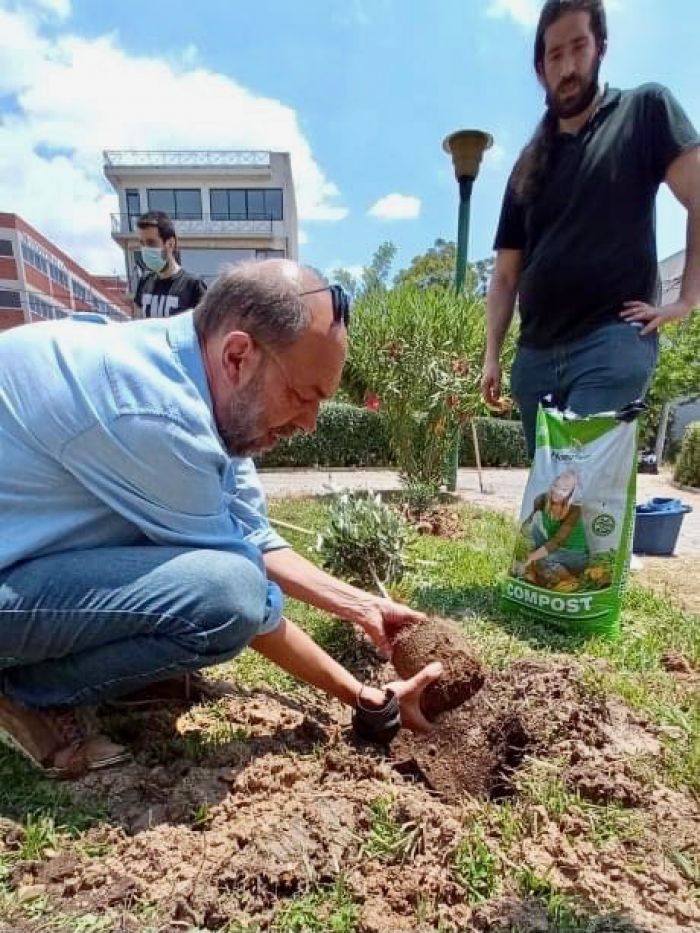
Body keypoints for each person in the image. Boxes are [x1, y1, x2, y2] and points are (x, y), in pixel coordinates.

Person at [0, 260, 442, 778]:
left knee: (216, 572)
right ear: (238, 355)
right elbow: (249, 602)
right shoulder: (155, 414)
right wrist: (364, 696)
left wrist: (359, 604)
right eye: (302, 396)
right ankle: (26, 690)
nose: (309, 423)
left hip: (23, 561)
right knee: (224, 595)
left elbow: (252, 535)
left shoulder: (198, 379)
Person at [481, 0, 700, 457]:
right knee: (554, 509)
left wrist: (686, 299)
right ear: (541, 69)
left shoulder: (643, 111)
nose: (567, 67)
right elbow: (504, 277)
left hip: (610, 340)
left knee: (577, 492)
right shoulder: (527, 166)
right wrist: (492, 355)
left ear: (600, 47)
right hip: (536, 357)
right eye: (554, 56)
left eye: (578, 47)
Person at [516, 470, 589, 587]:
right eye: (556, 486)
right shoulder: (541, 499)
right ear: (552, 484)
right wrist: (522, 543)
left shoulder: (575, 510)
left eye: (564, 490)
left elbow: (557, 542)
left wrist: (532, 557)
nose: (557, 492)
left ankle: (572, 582)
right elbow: (527, 523)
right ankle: (534, 572)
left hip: (575, 554)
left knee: (543, 558)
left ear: (571, 493)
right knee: (533, 531)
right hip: (555, 548)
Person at [133, 210, 207, 318]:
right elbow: (137, 323)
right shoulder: (144, 282)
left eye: (151, 243)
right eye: (142, 243)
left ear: (170, 243)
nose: (146, 249)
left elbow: (207, 328)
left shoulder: (193, 285)